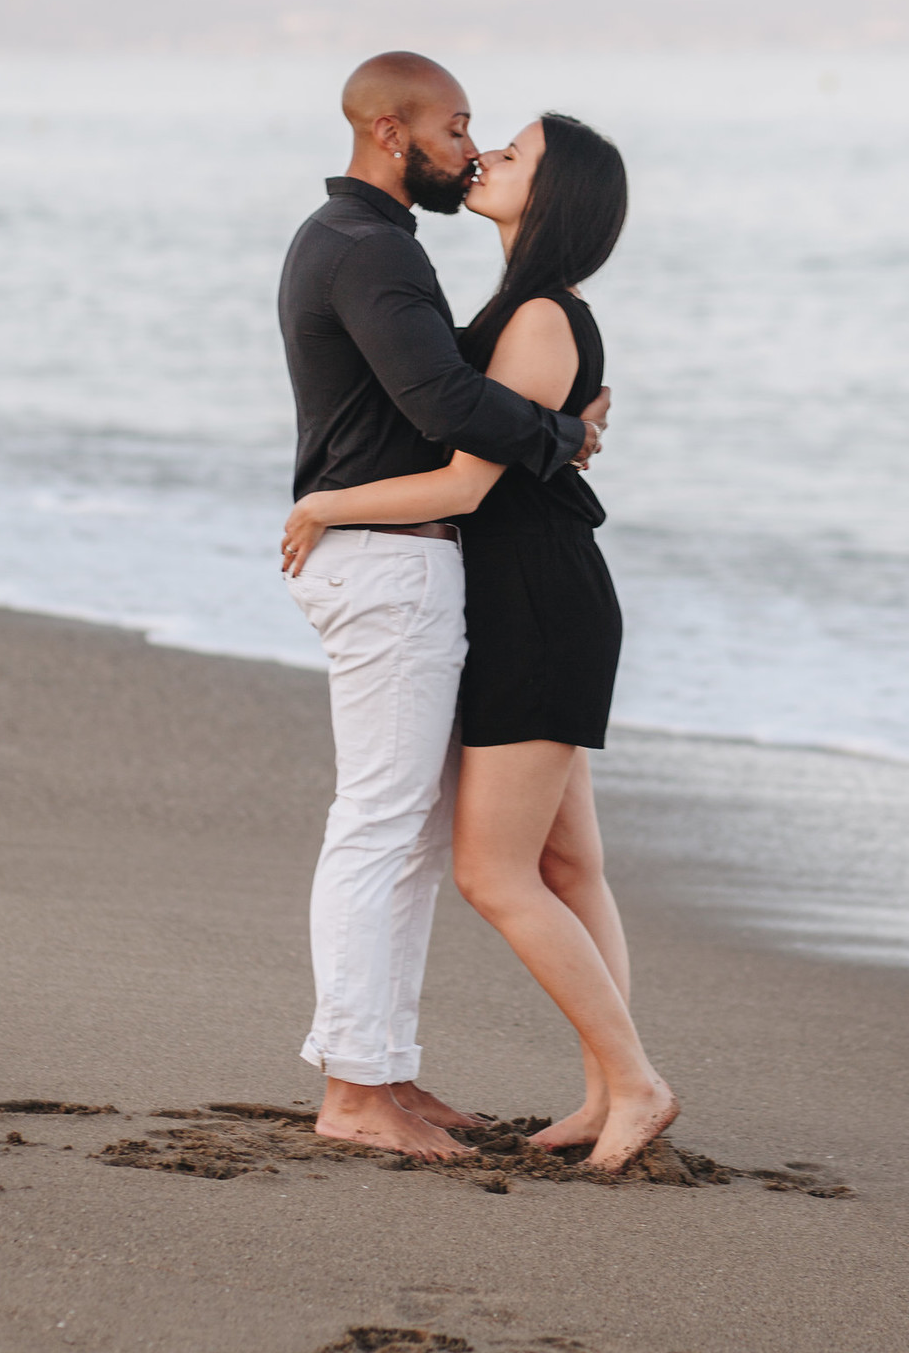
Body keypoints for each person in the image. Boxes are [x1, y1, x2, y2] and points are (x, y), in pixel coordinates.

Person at [282, 111, 677, 1175]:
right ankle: (606, 1090)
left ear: (552, 199)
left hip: (536, 602)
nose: (488, 156)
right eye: (487, 139)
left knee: (495, 873)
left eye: (513, 153)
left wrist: (329, 501)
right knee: (569, 862)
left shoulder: (539, 316)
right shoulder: (527, 308)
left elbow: (465, 482)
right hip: (540, 596)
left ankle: (633, 1082)